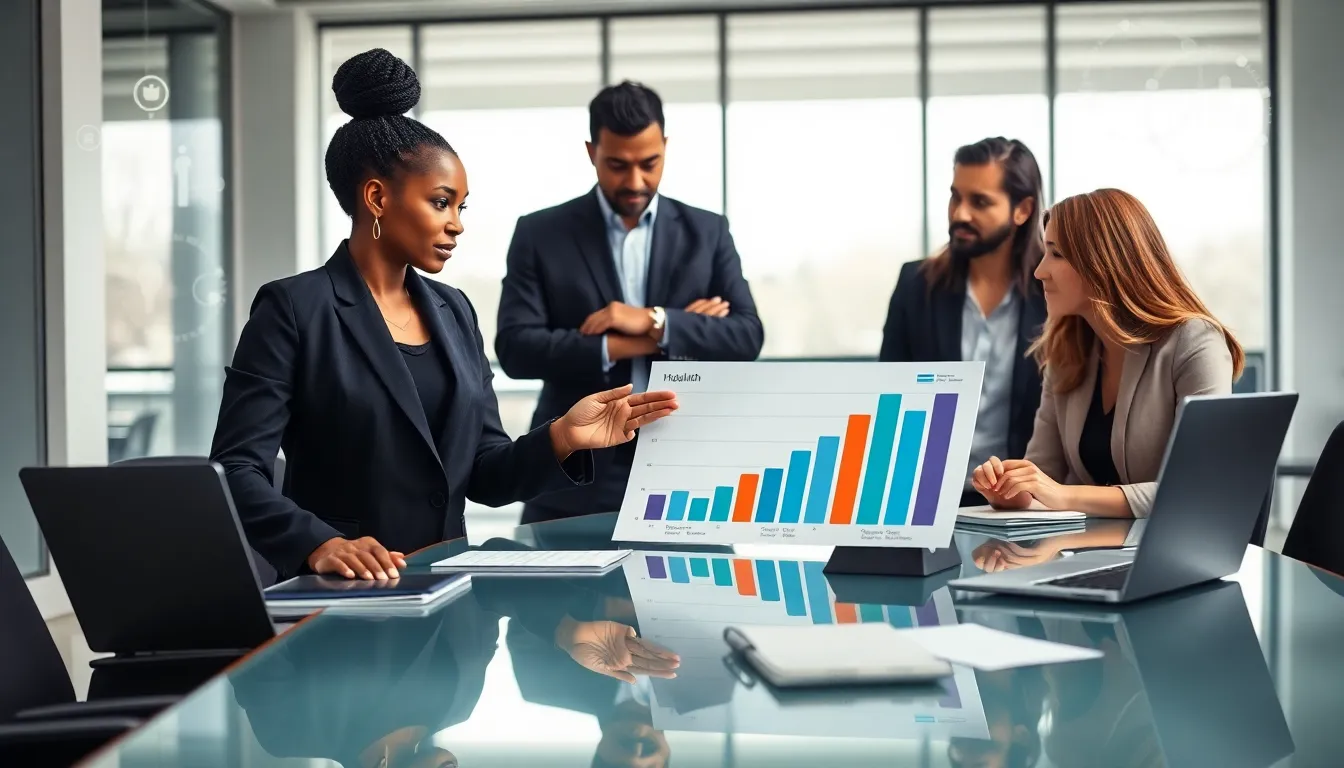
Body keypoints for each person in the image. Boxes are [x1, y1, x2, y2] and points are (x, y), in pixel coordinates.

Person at [209, 49, 677, 582]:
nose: (456, 224)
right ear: (377, 197)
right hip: (344, 598)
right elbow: (236, 469)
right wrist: (320, 544)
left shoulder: (454, 311)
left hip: (452, 607)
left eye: (462, 206)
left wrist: (563, 438)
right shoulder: (294, 309)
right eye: (440, 202)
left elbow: (485, 473)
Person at [496, 80, 764, 524]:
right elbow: (516, 349)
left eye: (650, 163)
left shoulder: (708, 231)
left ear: (666, 147)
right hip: (576, 470)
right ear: (591, 152)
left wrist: (652, 319)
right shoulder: (540, 234)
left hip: (688, 466)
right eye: (617, 165)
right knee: (554, 595)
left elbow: (746, 336)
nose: (636, 181)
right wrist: (647, 337)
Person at [971, 188, 1243, 518]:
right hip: (1087, 554)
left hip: (1169, 560)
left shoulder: (1195, 342)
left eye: (1056, 255)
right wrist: (1012, 489)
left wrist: (1065, 496)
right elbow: (1043, 476)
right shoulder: (1067, 350)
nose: (1040, 271)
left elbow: (1201, 488)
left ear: (1102, 262)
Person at [880, 137, 1049, 507]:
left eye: (980, 201)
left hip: (1023, 507)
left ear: (1022, 209)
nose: (960, 214)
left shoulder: (1051, 294)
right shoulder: (916, 285)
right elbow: (888, 400)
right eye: (956, 196)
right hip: (925, 502)